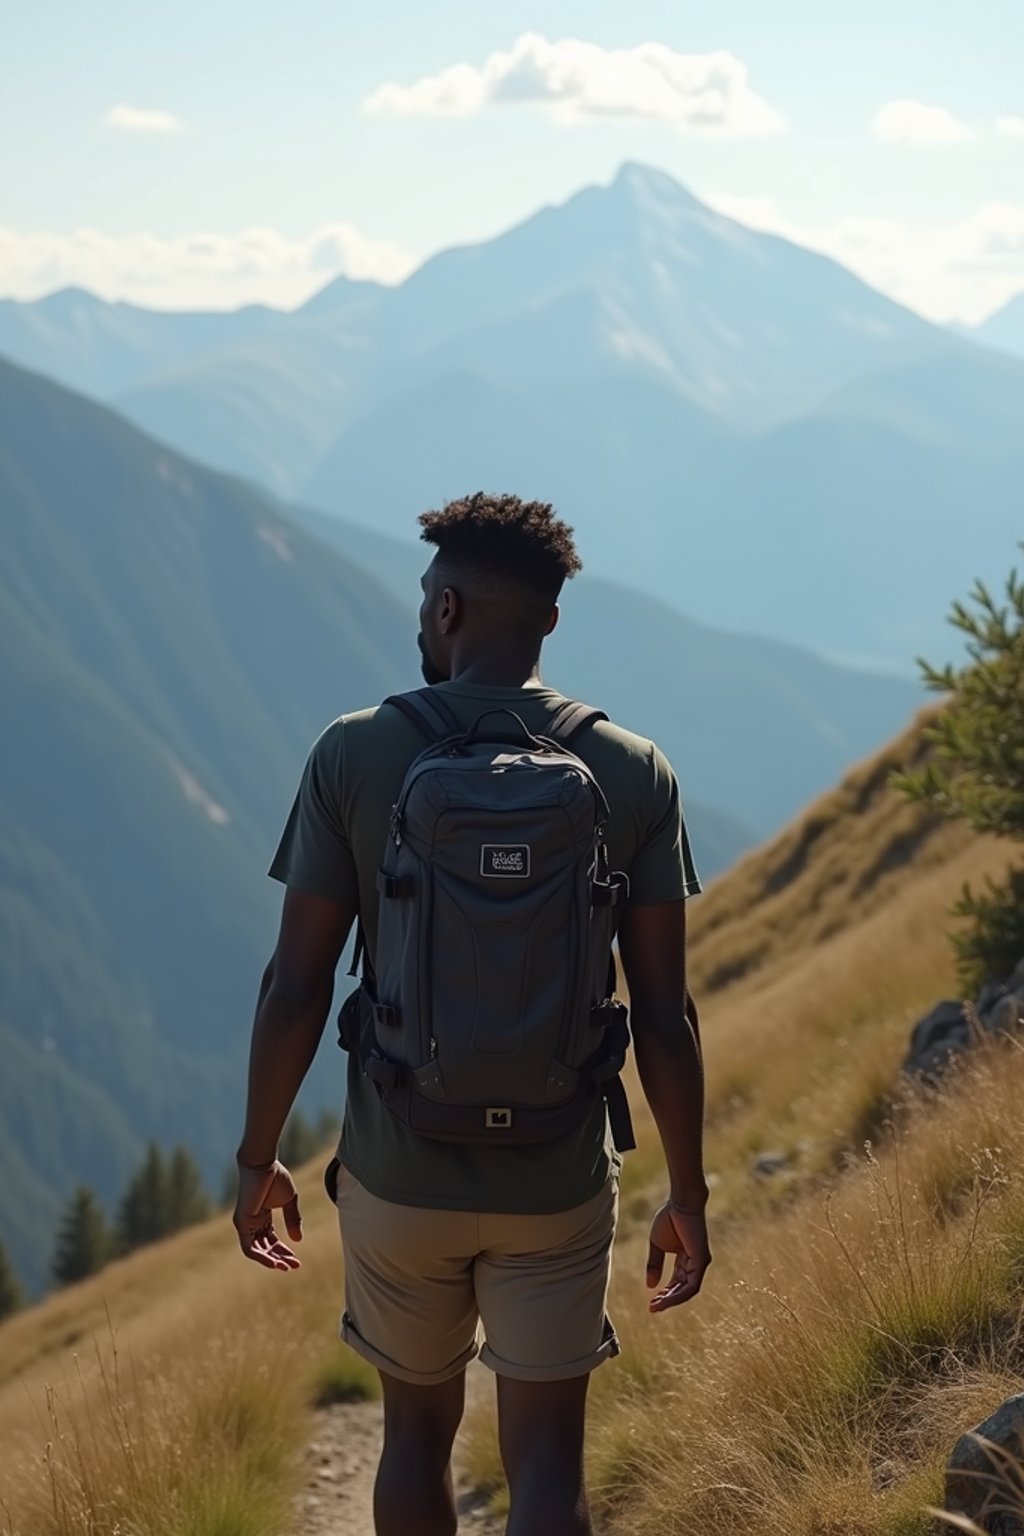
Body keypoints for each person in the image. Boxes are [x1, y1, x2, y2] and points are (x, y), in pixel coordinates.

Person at [233, 493, 711, 1536]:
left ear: (446, 609)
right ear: (546, 619)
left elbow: (296, 985)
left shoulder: (354, 755)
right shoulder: (632, 771)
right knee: (545, 1461)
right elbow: (664, 1013)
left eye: (422, 600)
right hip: (555, 1172)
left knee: (414, 1442)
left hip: (400, 1171)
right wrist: (689, 1192)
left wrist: (256, 1157)